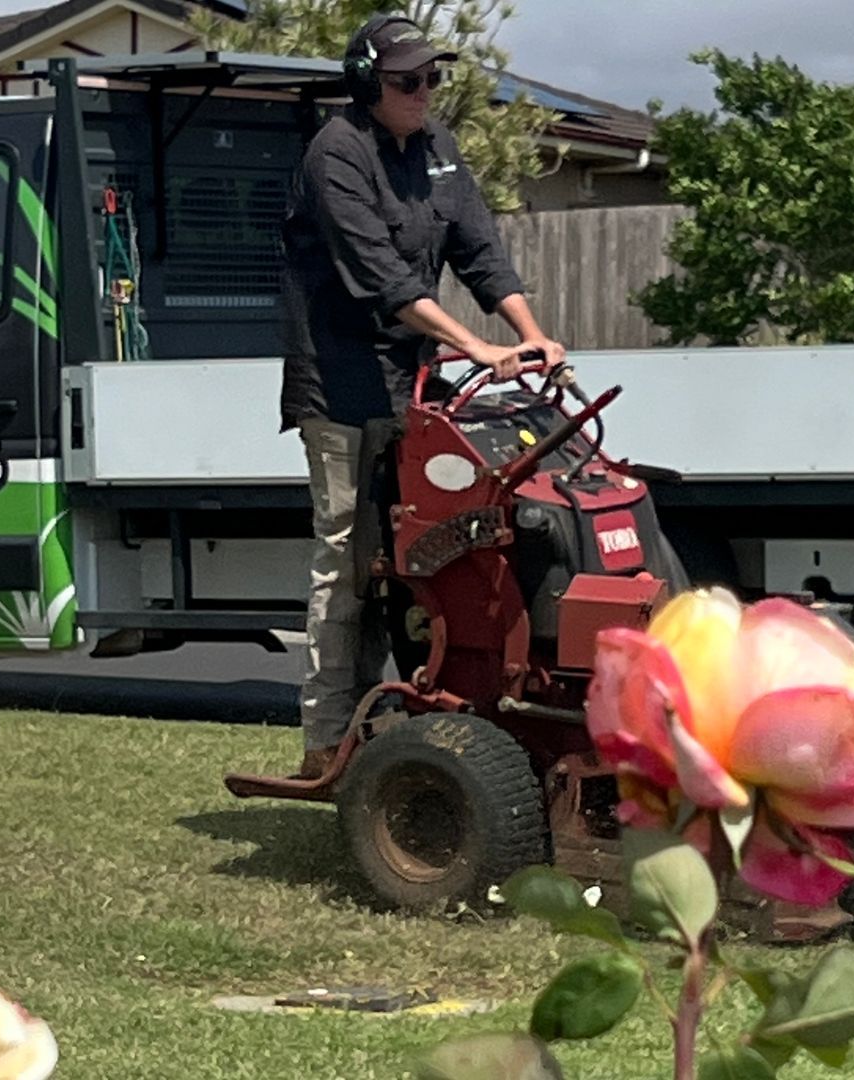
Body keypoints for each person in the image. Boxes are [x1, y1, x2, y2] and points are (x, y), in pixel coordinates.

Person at [277, 14, 566, 779]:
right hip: (339, 385)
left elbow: (481, 253)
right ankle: (327, 739)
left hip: (414, 386)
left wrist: (533, 337)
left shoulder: (437, 148)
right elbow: (382, 279)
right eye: (409, 80)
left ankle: (426, 719)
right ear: (369, 84)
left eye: (433, 77)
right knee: (348, 558)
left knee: (429, 553)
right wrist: (477, 347)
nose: (425, 91)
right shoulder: (335, 155)